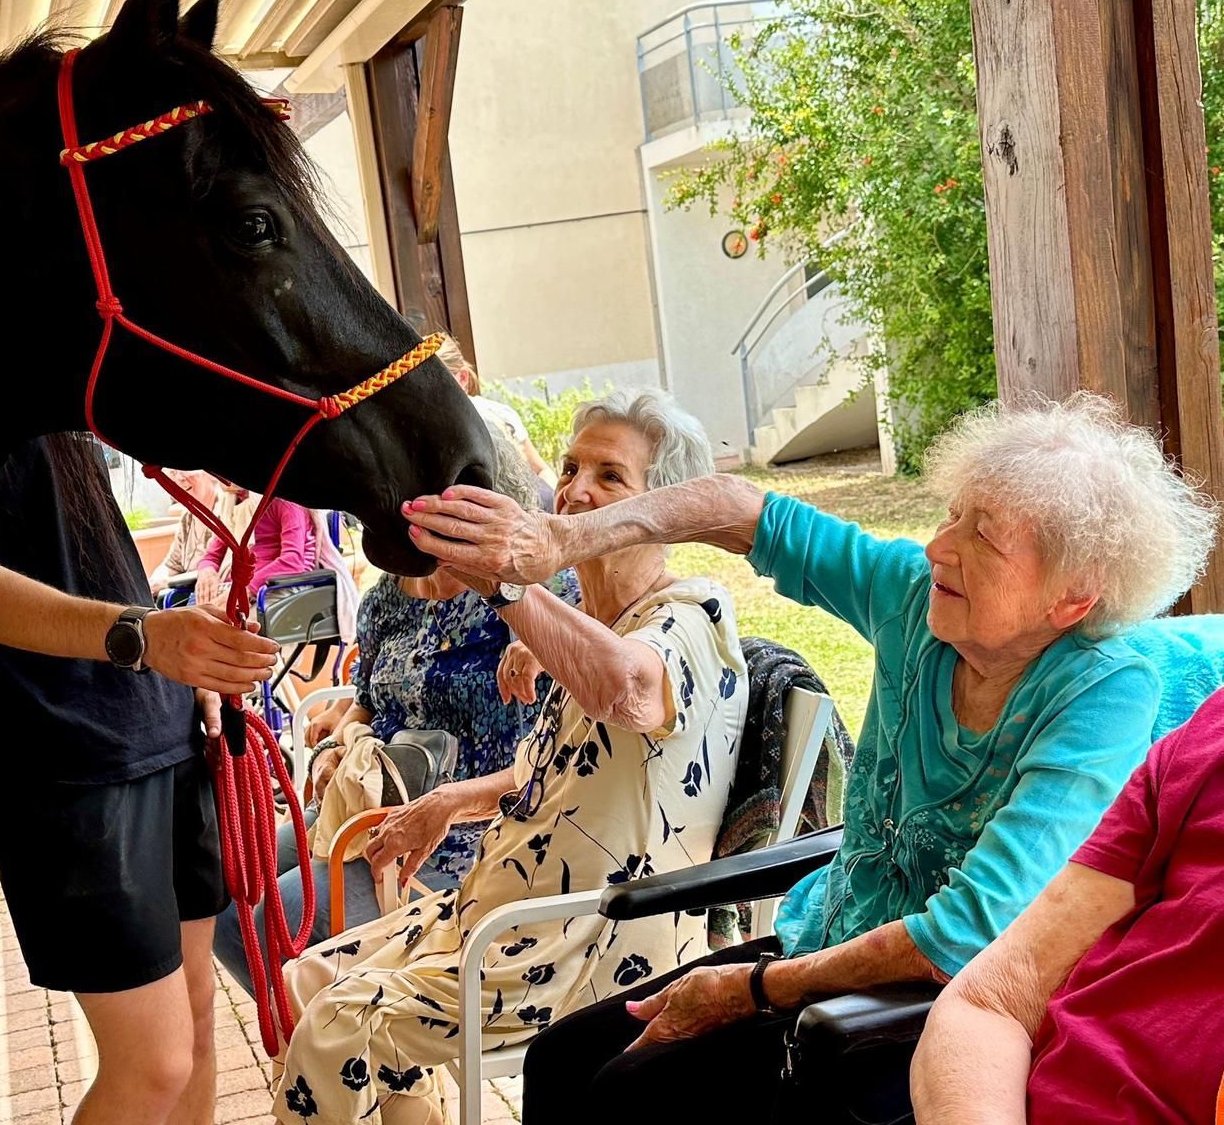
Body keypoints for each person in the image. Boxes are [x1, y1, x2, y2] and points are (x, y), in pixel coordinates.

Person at [402, 392, 1221, 1123]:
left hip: (913, 1014)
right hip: (819, 943)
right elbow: (743, 510)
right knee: (562, 1059)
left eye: (986, 539)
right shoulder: (916, 599)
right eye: (954, 516)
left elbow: (964, 938)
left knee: (626, 1095)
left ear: (1072, 597)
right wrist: (561, 537)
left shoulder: (1103, 694)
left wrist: (748, 990)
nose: (941, 547)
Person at [269, 389, 747, 1125]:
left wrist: (506, 584)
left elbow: (628, 690)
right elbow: (554, 774)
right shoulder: (592, 623)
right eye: (571, 466)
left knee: (340, 1031)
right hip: (494, 909)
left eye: (611, 477)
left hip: (581, 942)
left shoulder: (691, 615)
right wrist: (449, 801)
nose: (576, 489)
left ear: (659, 511)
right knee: (311, 976)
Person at [0, 433, 279, 1125]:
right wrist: (147, 637)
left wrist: (189, 660)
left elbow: (85, 562)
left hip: (165, 722)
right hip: (64, 753)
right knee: (153, 1064)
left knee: (200, 1021)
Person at [211, 423, 577, 992]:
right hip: (373, 803)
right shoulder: (387, 597)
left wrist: (446, 803)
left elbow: (563, 757)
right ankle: (325, 1046)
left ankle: (351, 1048)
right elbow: (367, 703)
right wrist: (340, 745)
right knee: (225, 886)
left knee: (278, 919)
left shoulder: (539, 600)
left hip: (467, 834)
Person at [911, 687, 1223, 1125]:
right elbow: (990, 1001)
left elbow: (954, 929)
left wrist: (786, 981)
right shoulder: (1207, 742)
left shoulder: (1100, 699)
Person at [434, 334, 558, 508]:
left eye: (438, 381)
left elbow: (540, 469)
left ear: (462, 378)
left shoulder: (497, 413)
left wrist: (550, 504)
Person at [148, 468, 237, 595]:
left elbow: (226, 570)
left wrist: (169, 582)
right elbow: (172, 564)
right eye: (173, 473)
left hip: (219, 595)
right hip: (190, 597)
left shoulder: (228, 510)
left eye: (184, 469)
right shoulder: (187, 519)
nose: (180, 478)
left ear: (209, 473)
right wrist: (155, 581)